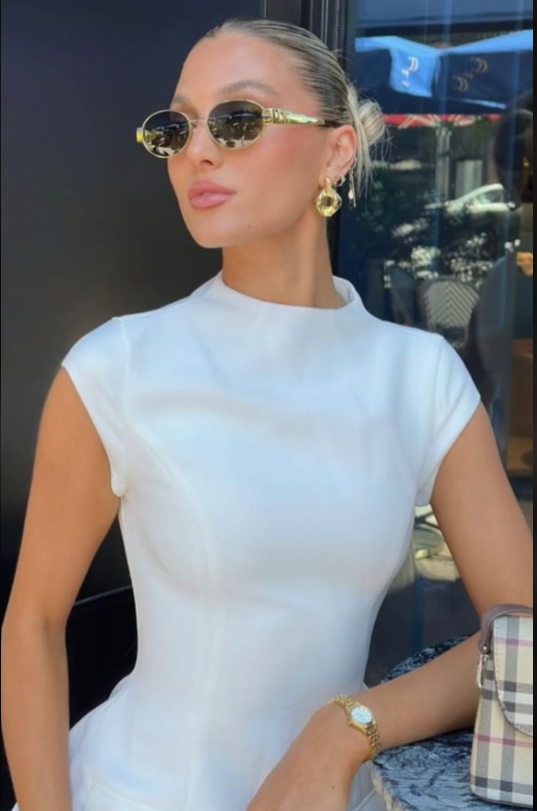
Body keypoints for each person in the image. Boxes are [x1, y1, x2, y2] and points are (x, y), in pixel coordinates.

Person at [1, 18, 533, 811]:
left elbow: (521, 633)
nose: (197, 151)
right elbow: (34, 624)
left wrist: (344, 730)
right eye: (177, 128)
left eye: (237, 119)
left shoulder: (418, 376)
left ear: (335, 151)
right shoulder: (117, 367)